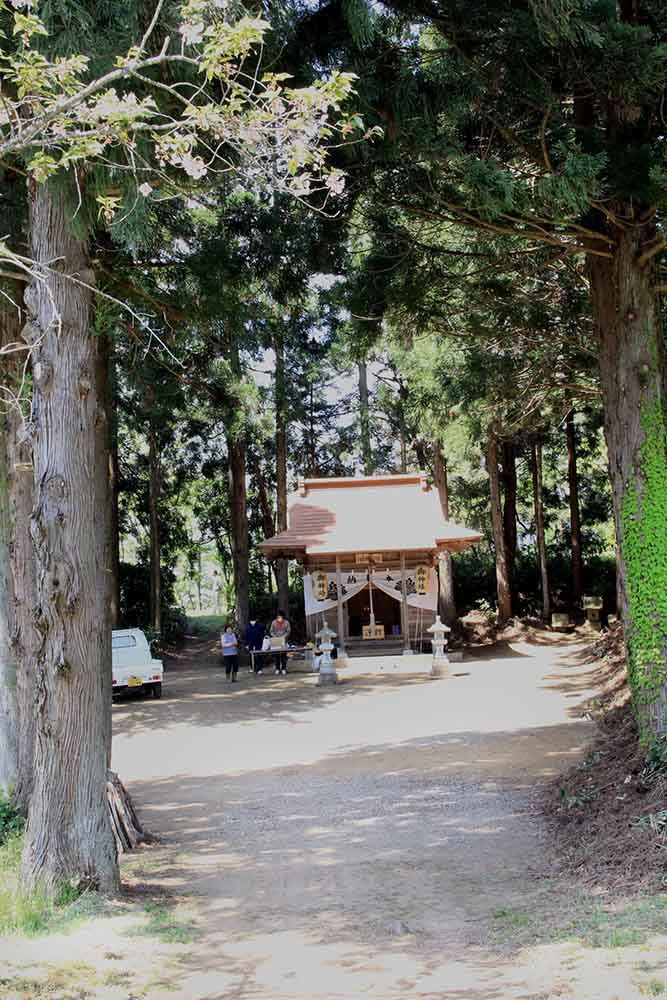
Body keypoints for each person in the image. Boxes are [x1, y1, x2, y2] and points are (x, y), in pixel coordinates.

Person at [270, 610, 291, 675]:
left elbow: (288, 631)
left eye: (280, 617)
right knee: (276, 655)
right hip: (276, 640)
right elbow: (271, 631)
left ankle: (284, 668)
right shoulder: (273, 622)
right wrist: (275, 636)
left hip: (283, 640)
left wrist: (283, 637)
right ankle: (277, 668)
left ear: (283, 617)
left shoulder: (286, 622)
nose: (279, 618)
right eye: (278, 617)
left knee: (283, 655)